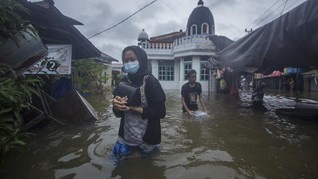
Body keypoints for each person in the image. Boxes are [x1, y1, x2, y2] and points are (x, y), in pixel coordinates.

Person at [112, 45, 166, 160]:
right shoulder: (124, 81)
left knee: (147, 169)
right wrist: (116, 105)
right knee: (116, 165)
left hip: (148, 140)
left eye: (132, 60)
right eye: (126, 61)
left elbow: (161, 112)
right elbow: (117, 114)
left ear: (141, 60)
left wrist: (133, 108)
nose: (129, 63)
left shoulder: (151, 82)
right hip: (125, 137)